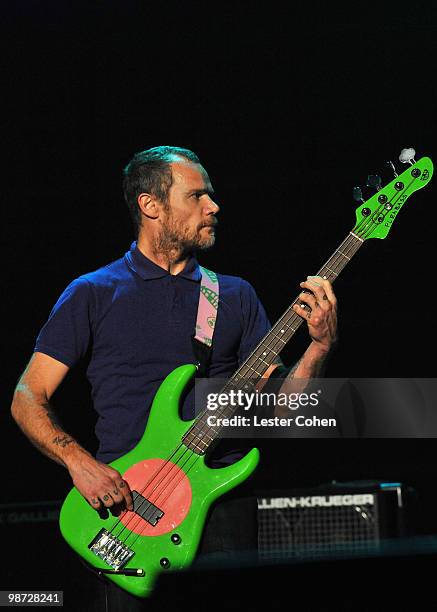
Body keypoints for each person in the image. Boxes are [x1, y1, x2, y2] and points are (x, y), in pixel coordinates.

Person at [10, 146, 338, 610]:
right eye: (197, 196)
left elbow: (286, 410)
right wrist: (78, 462)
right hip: (125, 510)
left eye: (212, 196)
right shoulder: (92, 293)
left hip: (220, 509)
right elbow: (28, 396)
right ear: (151, 206)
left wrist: (319, 347)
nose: (214, 207)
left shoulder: (235, 295)